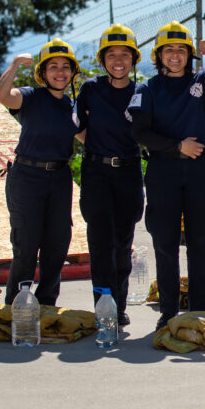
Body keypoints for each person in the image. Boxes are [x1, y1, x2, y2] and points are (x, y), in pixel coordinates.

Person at [127, 21, 205, 330]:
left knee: (201, 242)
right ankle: (168, 310)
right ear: (158, 55)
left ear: (190, 55)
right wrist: (178, 147)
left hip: (199, 171)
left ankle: (199, 309)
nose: (175, 56)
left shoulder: (200, 80)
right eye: (168, 50)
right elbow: (139, 131)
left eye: (181, 50)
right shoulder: (147, 88)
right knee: (165, 243)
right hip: (163, 171)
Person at [0, 39, 82, 306]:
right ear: (42, 73)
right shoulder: (31, 97)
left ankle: (46, 303)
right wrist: (15, 64)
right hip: (27, 177)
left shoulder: (73, 107)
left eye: (65, 67)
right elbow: (2, 96)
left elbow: (92, 139)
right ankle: (16, 305)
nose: (60, 72)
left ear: (72, 73)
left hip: (60, 178)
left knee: (57, 244)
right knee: (27, 245)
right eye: (53, 67)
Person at [75, 24, 144, 326]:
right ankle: (104, 306)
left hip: (128, 172)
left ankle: (120, 303)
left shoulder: (141, 92)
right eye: (111, 55)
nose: (118, 61)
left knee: (122, 244)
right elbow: (77, 127)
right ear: (103, 60)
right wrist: (100, 147)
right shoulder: (91, 89)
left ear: (133, 60)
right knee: (100, 245)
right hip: (97, 173)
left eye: (125, 55)